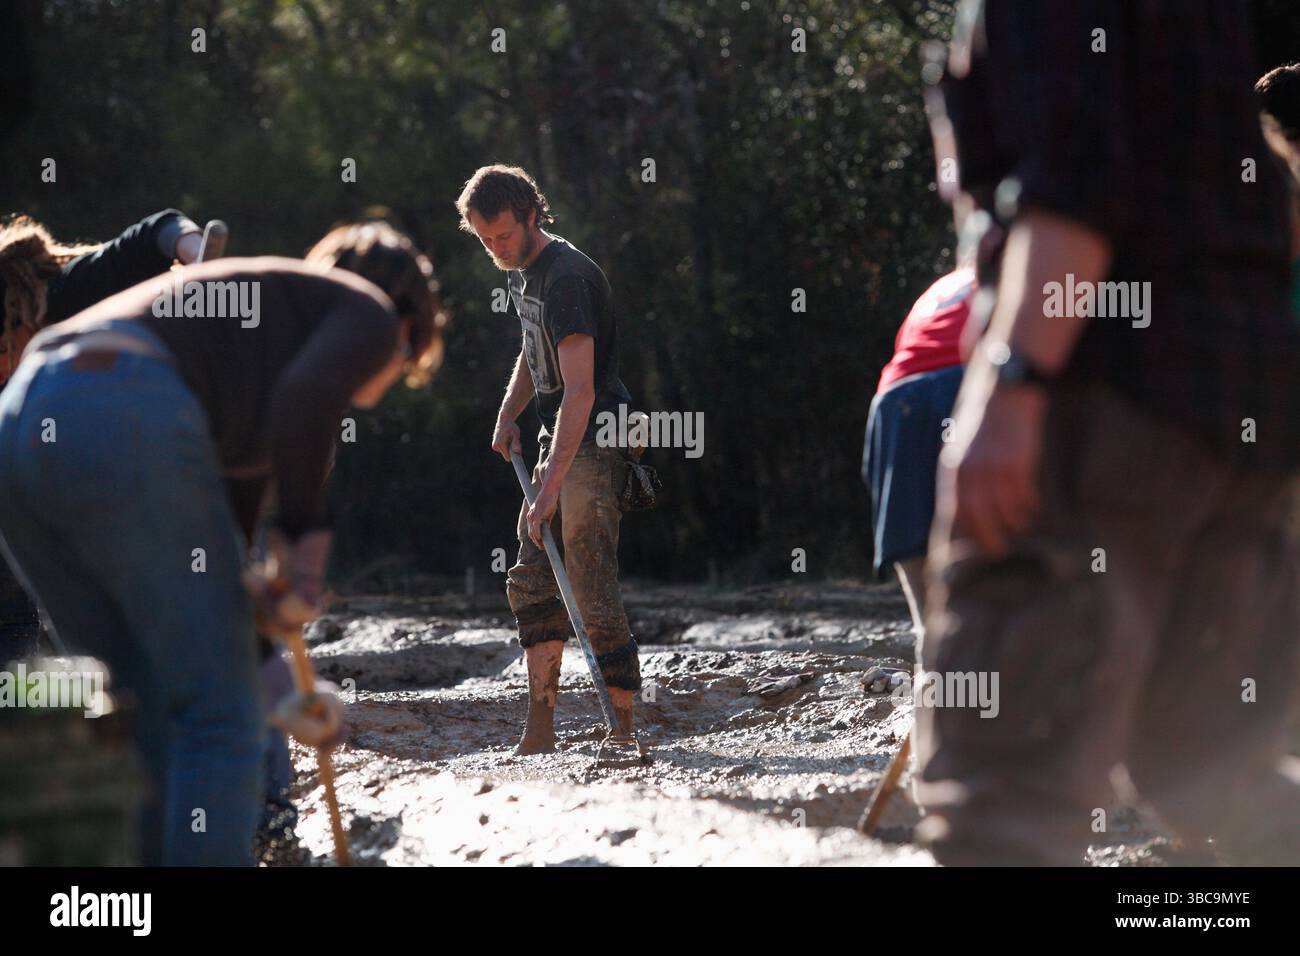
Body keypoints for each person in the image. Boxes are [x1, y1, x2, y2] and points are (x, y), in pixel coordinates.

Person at [914, 0, 1300, 865]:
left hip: (1106, 401)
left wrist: (1014, 383)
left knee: (999, 796)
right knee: (1210, 770)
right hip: (1244, 407)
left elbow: (1078, 174)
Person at [0, 220, 445, 865]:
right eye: (406, 358)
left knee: (141, 708)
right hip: (112, 402)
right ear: (407, 325)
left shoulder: (241, 379)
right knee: (221, 720)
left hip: (20, 422)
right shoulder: (369, 310)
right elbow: (308, 399)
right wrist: (303, 561)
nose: (389, 370)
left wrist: (279, 683)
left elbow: (220, 575)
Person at [456, 164, 641, 754]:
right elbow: (533, 350)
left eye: (503, 236)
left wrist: (550, 486)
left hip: (593, 440)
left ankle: (623, 729)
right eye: (484, 241)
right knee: (534, 581)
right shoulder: (523, 274)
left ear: (532, 215)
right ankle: (540, 729)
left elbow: (581, 390)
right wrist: (509, 412)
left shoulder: (567, 278)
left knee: (588, 582)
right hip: (554, 441)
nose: (495, 250)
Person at [0, 209, 206, 664]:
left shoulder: (66, 292)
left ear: (24, 312)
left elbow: (157, 231)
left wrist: (197, 259)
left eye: (3, 347)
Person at [863, 263, 977, 638]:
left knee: (920, 563)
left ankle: (931, 655)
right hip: (965, 381)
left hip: (894, 400)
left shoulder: (941, 289)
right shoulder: (1027, 260)